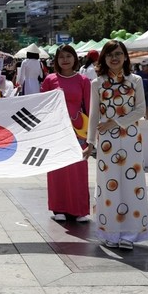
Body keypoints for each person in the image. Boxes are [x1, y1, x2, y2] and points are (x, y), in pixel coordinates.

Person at [83, 40, 148, 250]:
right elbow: (93, 115)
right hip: (106, 143)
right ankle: (110, 232)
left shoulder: (135, 80)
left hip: (131, 140)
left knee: (132, 185)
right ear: (104, 58)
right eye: (110, 54)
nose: (115, 58)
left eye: (119, 53)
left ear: (126, 57)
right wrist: (90, 142)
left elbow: (141, 111)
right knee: (108, 186)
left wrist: (114, 122)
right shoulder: (98, 83)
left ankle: (130, 234)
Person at [41, 45, 91, 222]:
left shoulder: (83, 80)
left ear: (75, 58)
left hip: (78, 130)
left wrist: (92, 136)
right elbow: (42, 106)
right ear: (56, 60)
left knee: (78, 169)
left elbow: (90, 107)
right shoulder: (50, 80)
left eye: (68, 56)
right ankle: (58, 208)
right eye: (61, 57)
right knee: (58, 169)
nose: (65, 60)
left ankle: (79, 209)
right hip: (56, 130)